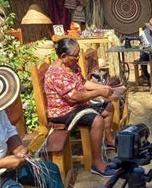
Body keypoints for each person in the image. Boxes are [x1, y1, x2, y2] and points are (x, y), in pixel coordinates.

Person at [45, 38, 125, 177]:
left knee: (108, 107)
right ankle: (97, 163)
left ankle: (109, 140)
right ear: (63, 56)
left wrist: (103, 87)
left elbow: (83, 83)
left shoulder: (72, 66)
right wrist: (99, 92)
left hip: (75, 106)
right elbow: (74, 96)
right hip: (63, 111)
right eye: (75, 55)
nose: (77, 58)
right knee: (97, 120)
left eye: (78, 54)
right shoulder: (56, 73)